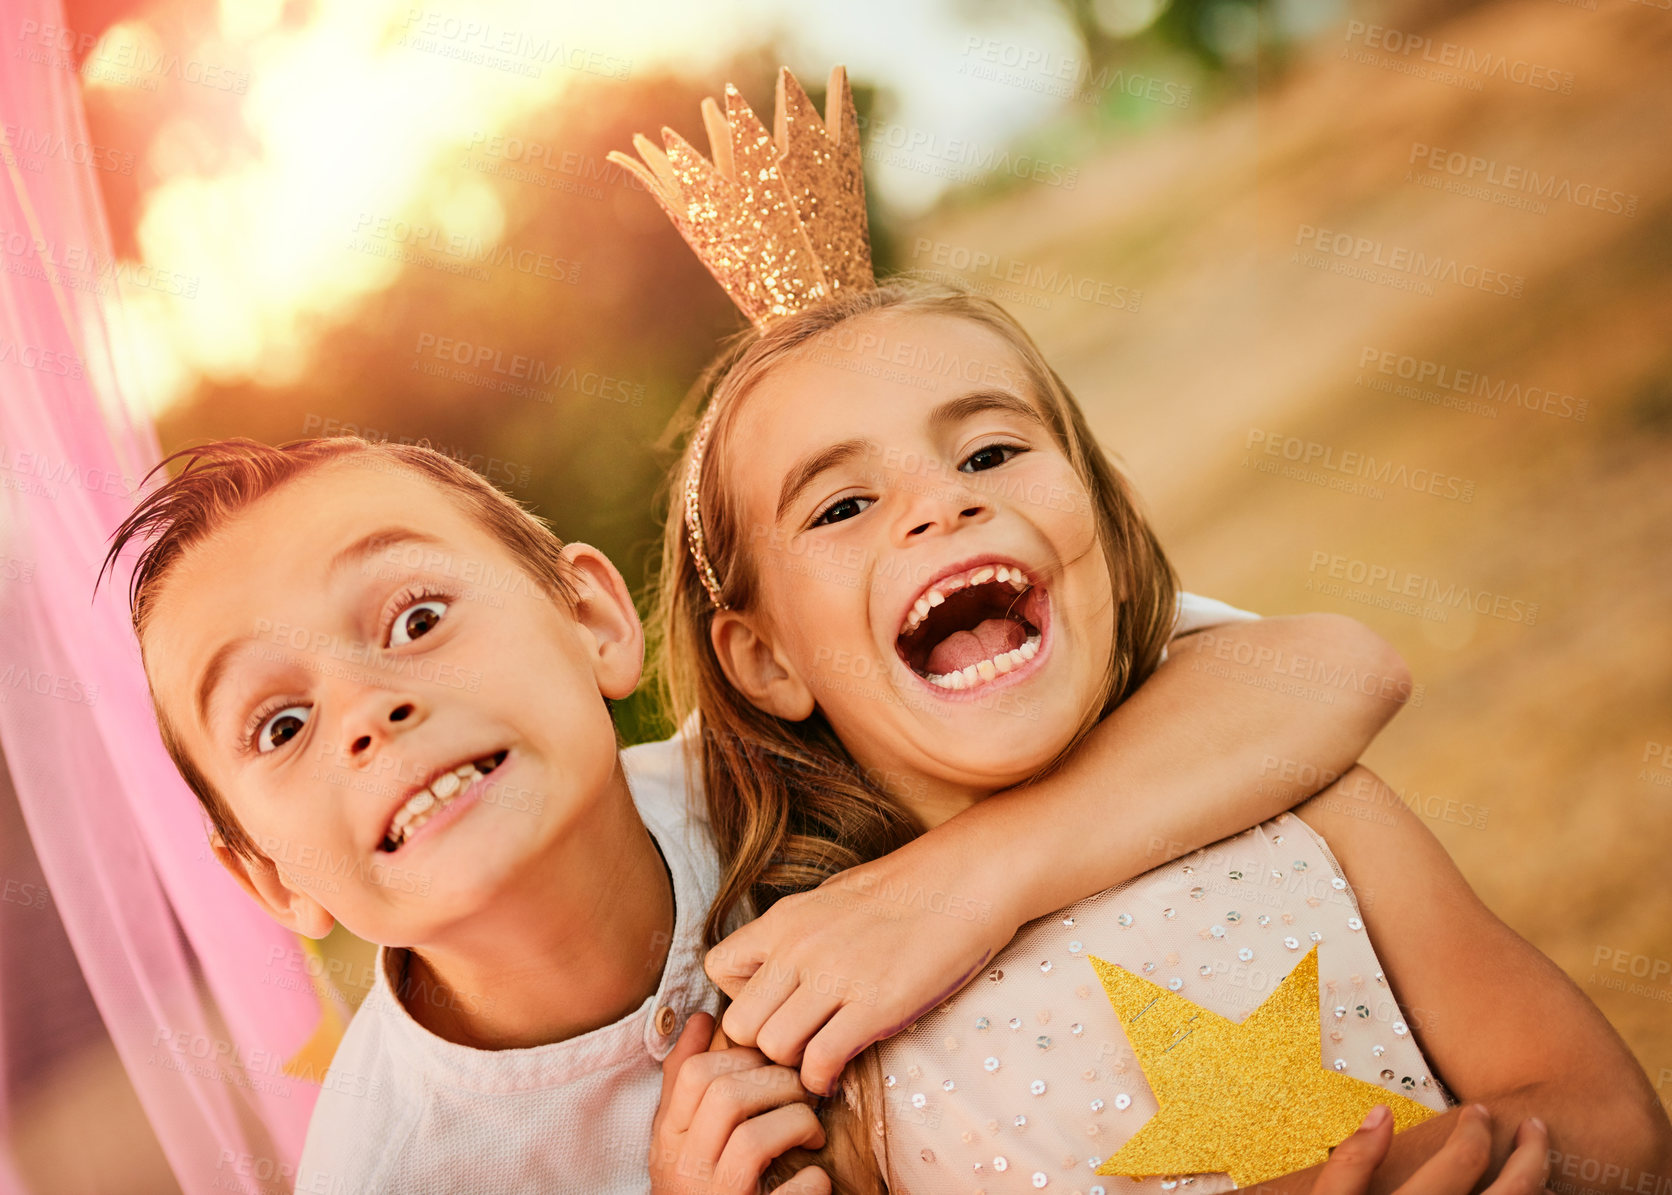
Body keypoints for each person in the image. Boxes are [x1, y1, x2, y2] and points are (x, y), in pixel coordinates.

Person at [618, 70, 1672, 1193]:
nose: (943, 504)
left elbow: (1620, 1131)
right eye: (841, 506)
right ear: (763, 659)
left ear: (1104, 517)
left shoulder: (1305, 805)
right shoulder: (824, 1032)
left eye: (987, 453)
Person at [97, 435, 1414, 1193]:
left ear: (593, 619)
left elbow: (1334, 668)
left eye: (417, 616)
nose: (369, 707)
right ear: (271, 879)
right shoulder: (395, 1176)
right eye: (277, 723)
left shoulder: (795, 747)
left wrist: (968, 876)